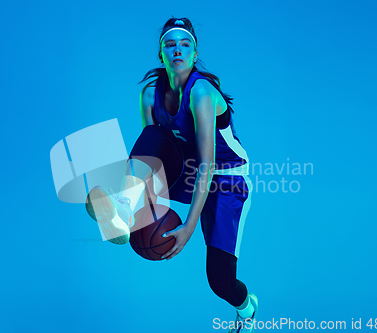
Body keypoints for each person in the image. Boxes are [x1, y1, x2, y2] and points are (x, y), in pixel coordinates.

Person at [86, 17, 257, 333]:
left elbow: (209, 163)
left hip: (227, 179)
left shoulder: (202, 93)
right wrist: (143, 207)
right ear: (160, 53)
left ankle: (247, 310)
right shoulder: (151, 95)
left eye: (185, 44)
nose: (177, 50)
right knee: (154, 135)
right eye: (169, 44)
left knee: (220, 282)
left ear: (194, 53)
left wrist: (189, 227)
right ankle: (123, 207)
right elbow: (153, 152)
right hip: (188, 171)